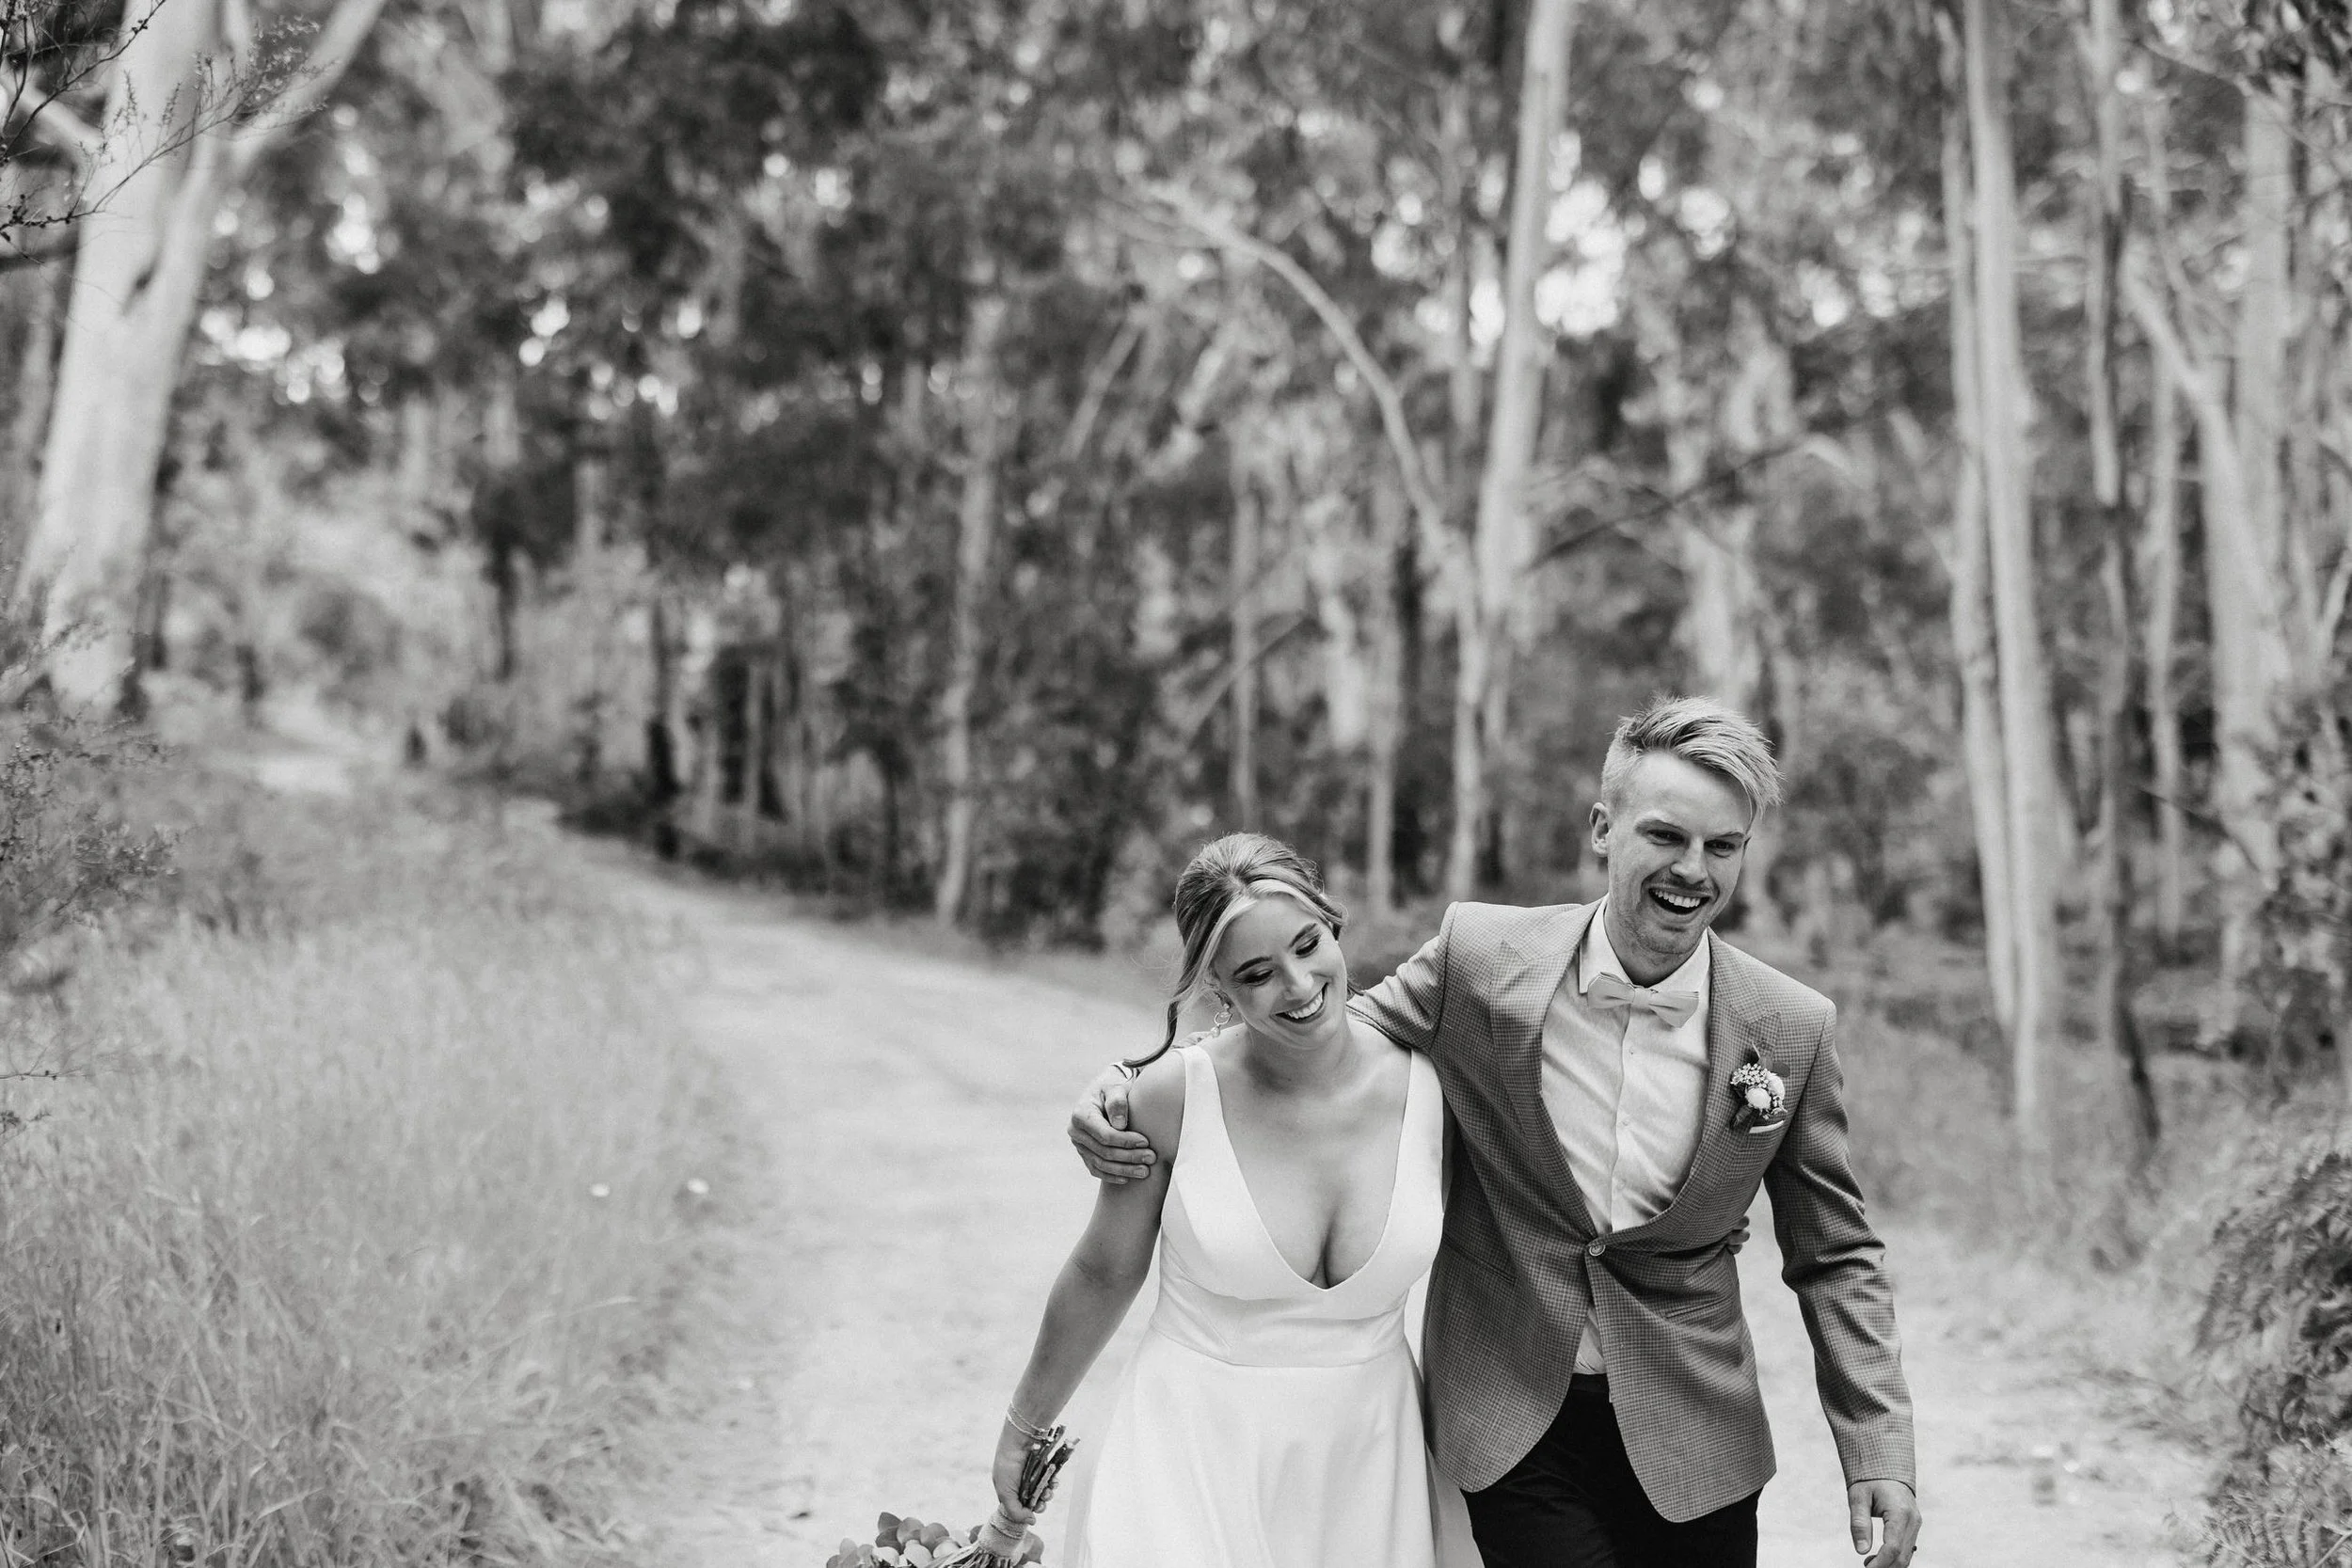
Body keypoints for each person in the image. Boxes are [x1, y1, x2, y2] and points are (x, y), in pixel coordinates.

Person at [1071, 696, 1924, 1568]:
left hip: (1697, 1430)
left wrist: (1878, 1447)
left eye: (1723, 845)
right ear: (1604, 828)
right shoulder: (1480, 959)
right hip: (1514, 1412)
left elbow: (1837, 1253)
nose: (1693, 870)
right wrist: (1140, 1081)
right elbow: (1323, 1028)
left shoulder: (1790, 1027)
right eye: (1666, 836)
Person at [989, 832, 1477, 1568]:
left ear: (1331, 922)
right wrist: (1023, 1422)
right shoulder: (1169, 1098)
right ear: (1219, 987)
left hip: (1371, 1469)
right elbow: (1104, 1270)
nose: (1299, 984)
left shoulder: (1436, 1089)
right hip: (1185, 1462)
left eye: (1307, 944)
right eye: (1256, 973)